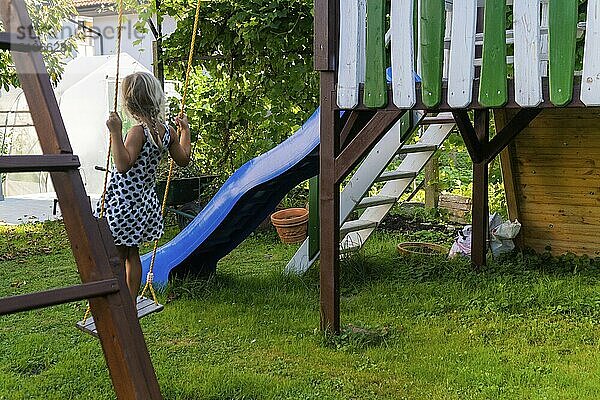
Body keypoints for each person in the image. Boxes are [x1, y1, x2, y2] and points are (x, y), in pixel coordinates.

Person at [100, 71, 191, 303]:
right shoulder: (166, 132)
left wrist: (115, 132)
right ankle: (130, 302)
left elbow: (122, 165)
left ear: (129, 104)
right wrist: (185, 131)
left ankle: (119, 303)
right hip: (144, 203)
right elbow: (183, 159)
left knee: (118, 256)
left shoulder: (137, 132)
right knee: (133, 254)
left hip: (125, 203)